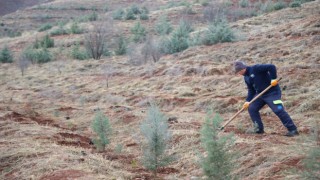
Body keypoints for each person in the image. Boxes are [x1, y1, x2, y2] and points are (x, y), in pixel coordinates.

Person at [234, 60, 299, 136]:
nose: (238, 74)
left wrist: (273, 79)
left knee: (278, 109)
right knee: (252, 108)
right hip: (260, 94)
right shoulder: (246, 77)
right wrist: (247, 101)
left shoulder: (255, 68)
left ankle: (293, 130)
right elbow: (251, 90)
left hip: (272, 92)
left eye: (238, 72)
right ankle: (258, 129)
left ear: (242, 69)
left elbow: (271, 67)